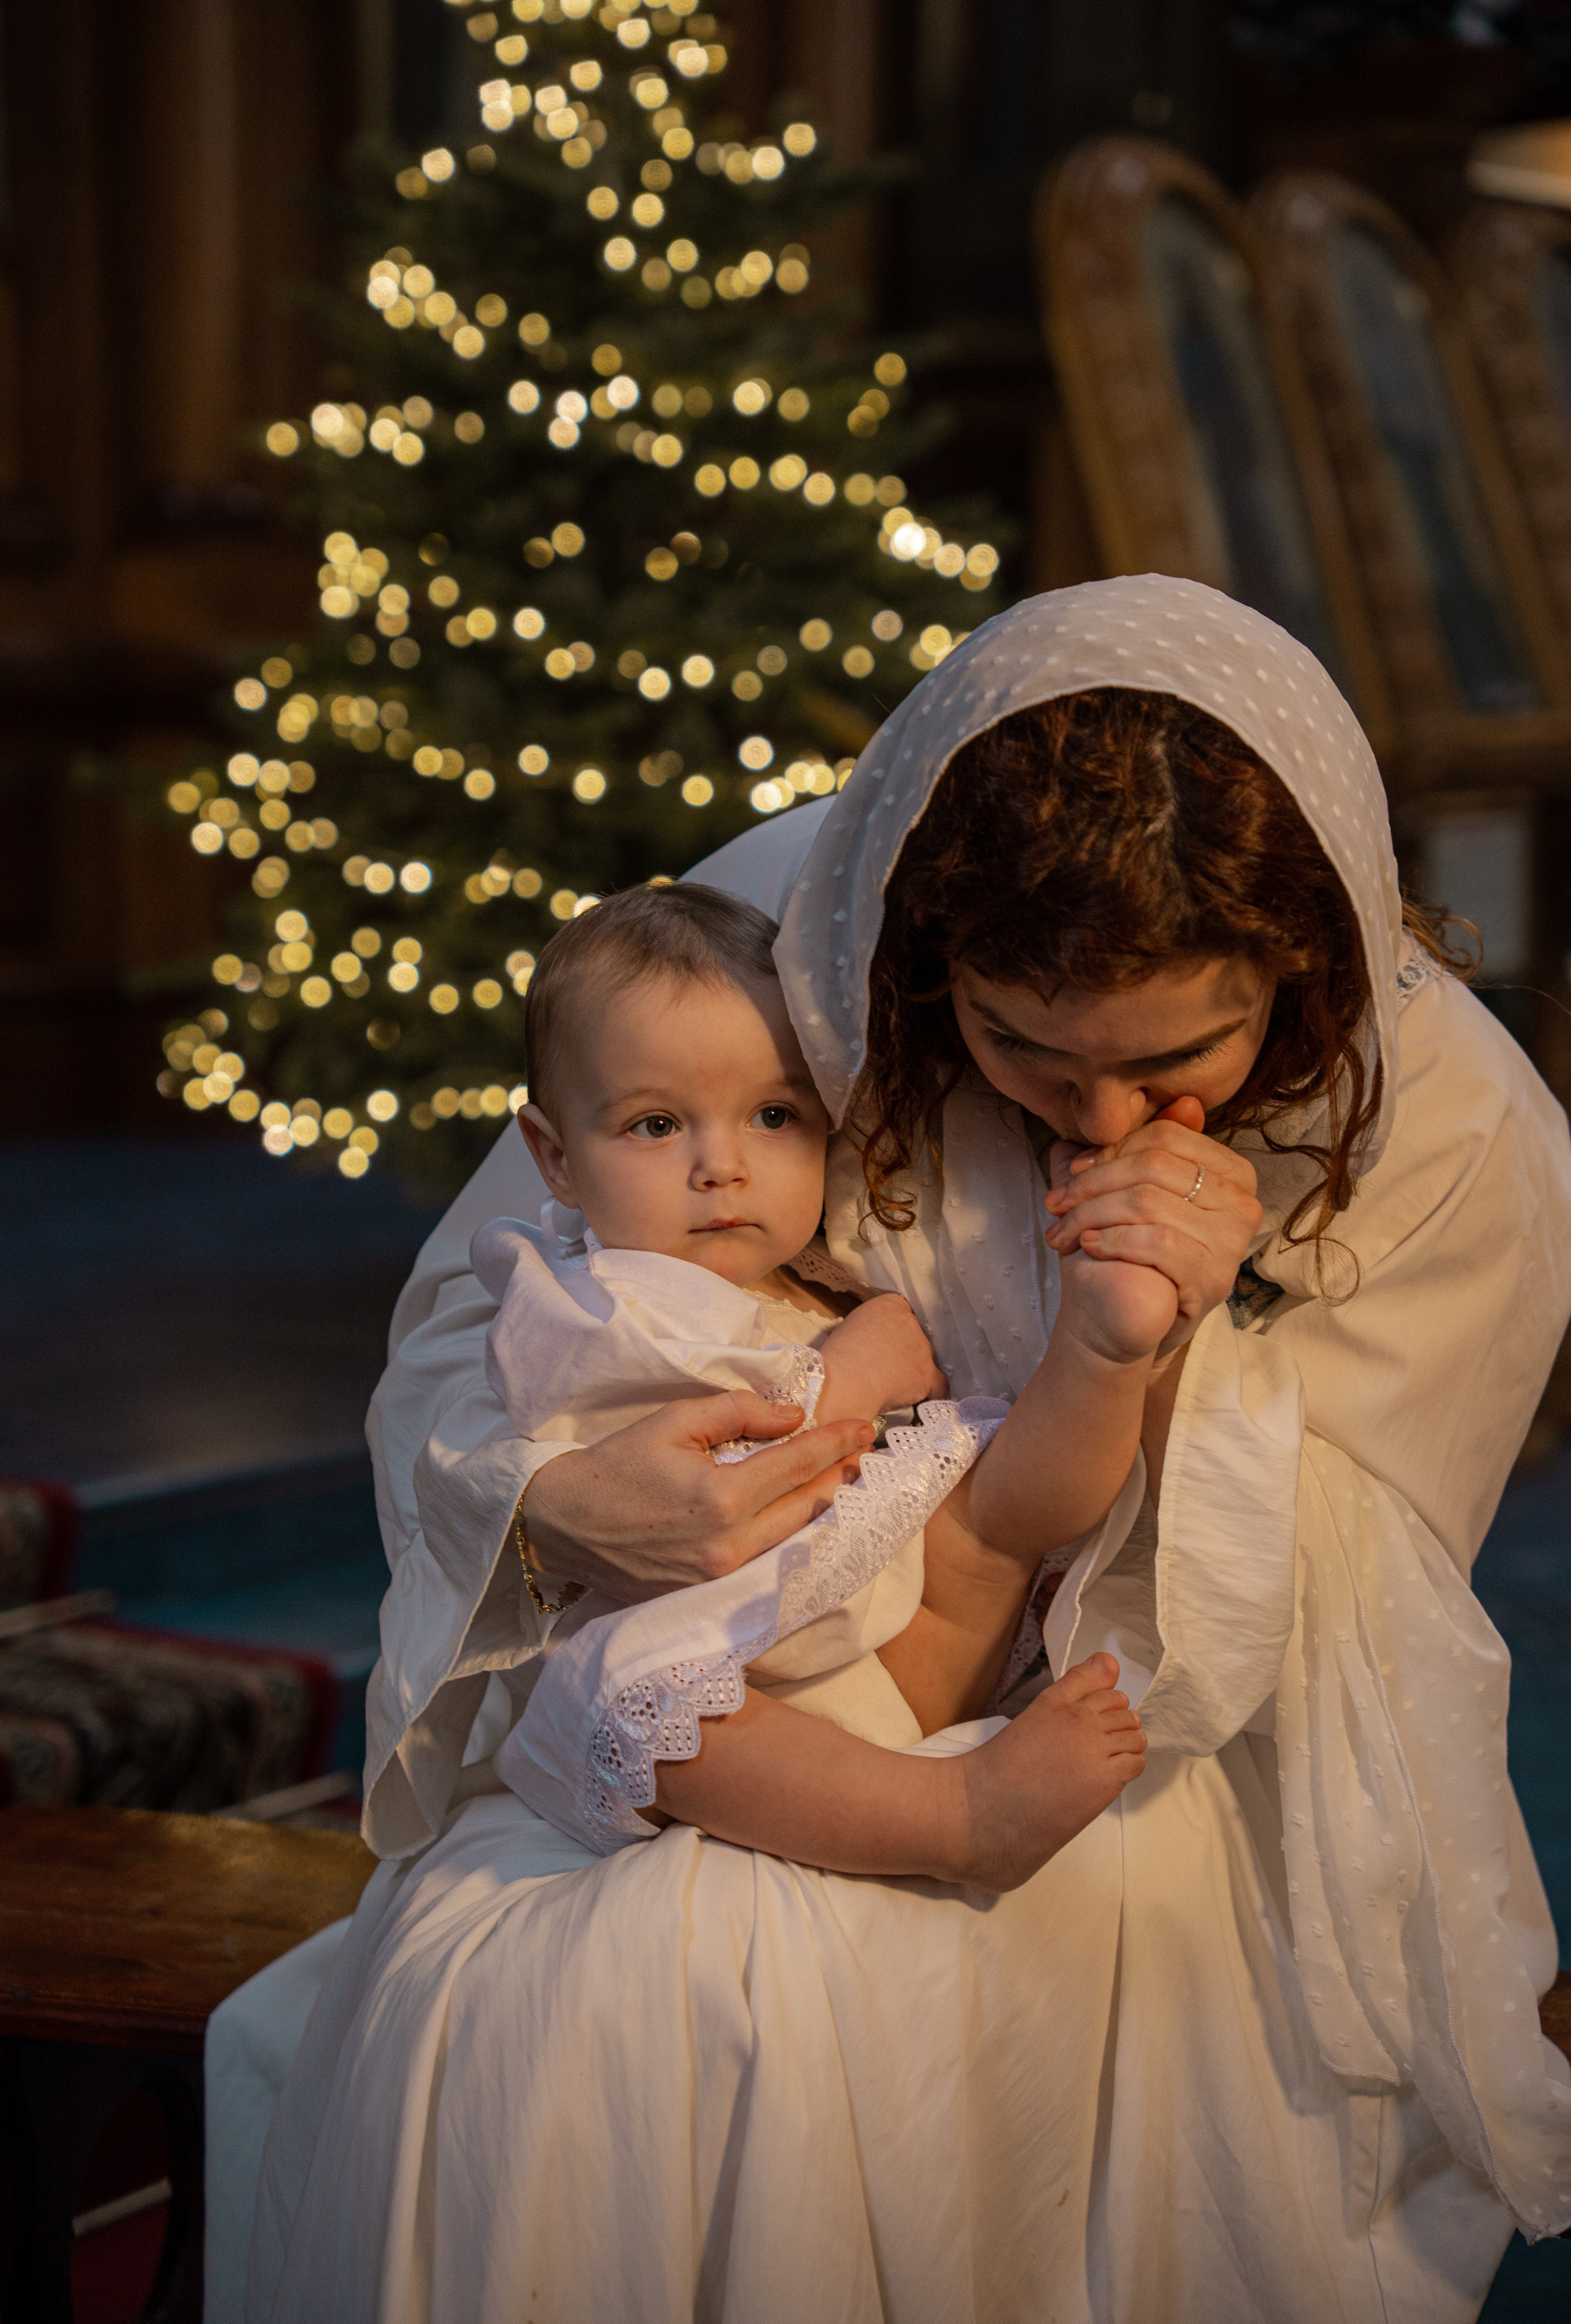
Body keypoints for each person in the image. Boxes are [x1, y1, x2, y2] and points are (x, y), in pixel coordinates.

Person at [246, 577, 1571, 2324]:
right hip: (730, 1650)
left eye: (1177, 1058)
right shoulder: (797, 918)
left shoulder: (1462, 1136)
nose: (1093, 1126)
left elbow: (1341, 1614)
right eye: (1020, 1047)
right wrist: (569, 1493)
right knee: (532, 1987)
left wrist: (1168, 1347)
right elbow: (472, 1322)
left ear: (1301, 971)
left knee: (772, 1998)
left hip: (1140, 1741)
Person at [474, 878, 1149, 1869]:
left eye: (774, 1116)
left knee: (995, 1487)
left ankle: (1108, 1349)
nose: (722, 1167)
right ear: (558, 1157)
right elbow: (700, 1470)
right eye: (657, 1126)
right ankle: (955, 1816)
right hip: (744, 1671)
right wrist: (847, 1377)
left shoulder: (810, 1269)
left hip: (877, 1638)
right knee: (618, 1691)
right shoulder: (592, 1300)